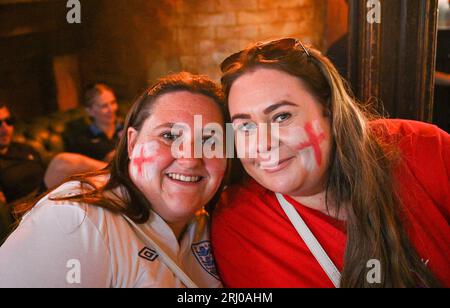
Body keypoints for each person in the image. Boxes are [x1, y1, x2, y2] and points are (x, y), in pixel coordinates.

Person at [211, 38, 450, 288]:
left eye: (282, 116)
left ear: (330, 110)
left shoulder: (423, 148)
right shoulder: (240, 224)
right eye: (245, 126)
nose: (263, 144)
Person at [0, 72, 227, 288]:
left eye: (209, 141)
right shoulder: (77, 221)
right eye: (169, 136)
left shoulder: (212, 223)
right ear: (132, 142)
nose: (189, 158)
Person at [63, 83, 123, 162]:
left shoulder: (127, 127)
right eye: (104, 106)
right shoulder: (81, 136)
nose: (111, 109)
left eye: (113, 103)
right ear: (90, 111)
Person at [0, 103, 45, 205]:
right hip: (27, 209)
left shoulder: (25, 148)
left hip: (50, 196)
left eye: (8, 121)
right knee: (62, 161)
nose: (5, 128)